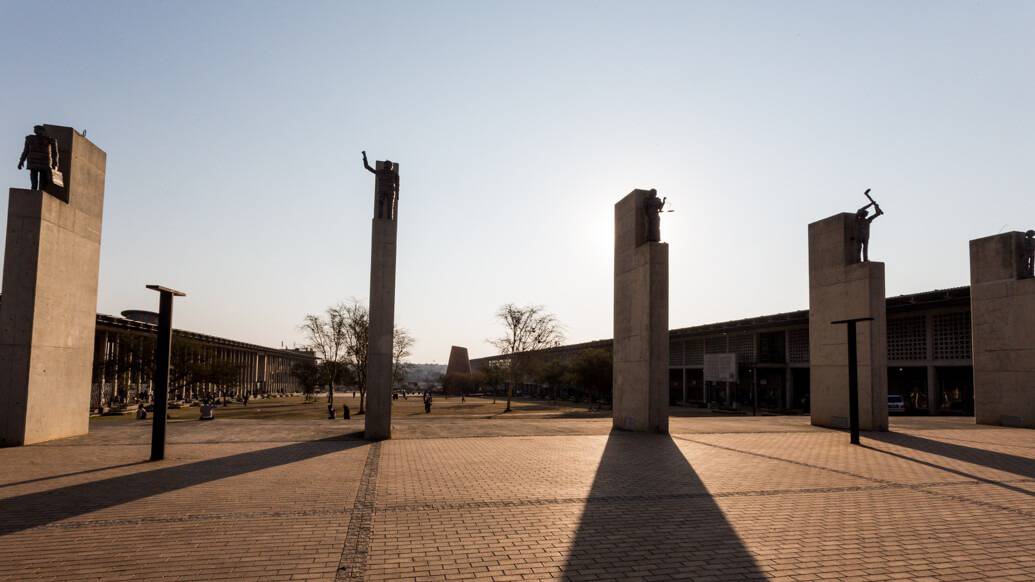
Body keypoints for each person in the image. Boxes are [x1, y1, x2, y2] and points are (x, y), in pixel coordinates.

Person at [17, 125, 59, 191]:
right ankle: (35, 191)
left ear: (42, 131)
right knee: (34, 181)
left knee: (43, 180)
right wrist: (21, 161)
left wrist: (55, 164)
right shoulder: (30, 139)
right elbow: (26, 151)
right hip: (34, 162)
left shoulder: (49, 140)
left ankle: (40, 192)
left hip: (44, 162)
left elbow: (55, 153)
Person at [362, 151, 399, 220]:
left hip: (389, 191)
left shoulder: (393, 174)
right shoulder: (382, 172)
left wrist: (397, 194)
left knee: (388, 206)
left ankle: (387, 218)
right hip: (385, 191)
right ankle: (382, 217)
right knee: (383, 205)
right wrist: (364, 156)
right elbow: (367, 167)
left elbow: (397, 184)